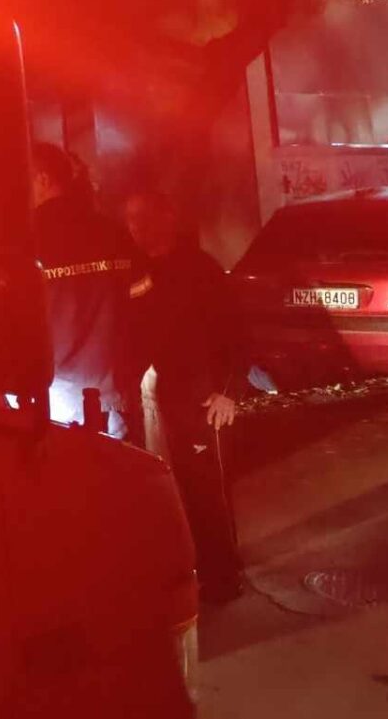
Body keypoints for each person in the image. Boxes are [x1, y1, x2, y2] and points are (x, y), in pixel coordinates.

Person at [123, 186, 247, 605]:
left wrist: (228, 392)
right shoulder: (141, 272)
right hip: (168, 396)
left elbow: (236, 334)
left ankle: (225, 578)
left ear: (167, 218)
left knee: (209, 492)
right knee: (181, 490)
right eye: (131, 219)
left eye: (144, 217)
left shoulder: (201, 269)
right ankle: (198, 570)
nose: (137, 227)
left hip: (206, 398)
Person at [31, 143, 145, 443]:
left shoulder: (28, 239)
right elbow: (145, 303)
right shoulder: (113, 232)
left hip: (51, 396)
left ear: (43, 180)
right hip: (112, 395)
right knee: (115, 468)